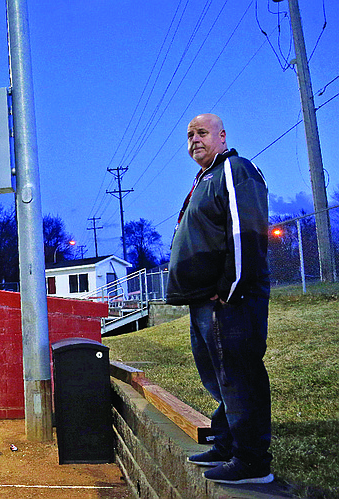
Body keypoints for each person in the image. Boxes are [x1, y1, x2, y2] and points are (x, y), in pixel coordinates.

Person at [166, 113, 273, 484]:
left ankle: (253, 462)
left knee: (238, 375)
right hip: (204, 301)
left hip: (229, 300)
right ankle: (227, 443)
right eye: (190, 134)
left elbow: (245, 230)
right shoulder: (204, 177)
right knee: (219, 378)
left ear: (222, 136)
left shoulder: (235, 169)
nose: (195, 139)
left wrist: (232, 288)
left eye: (203, 133)